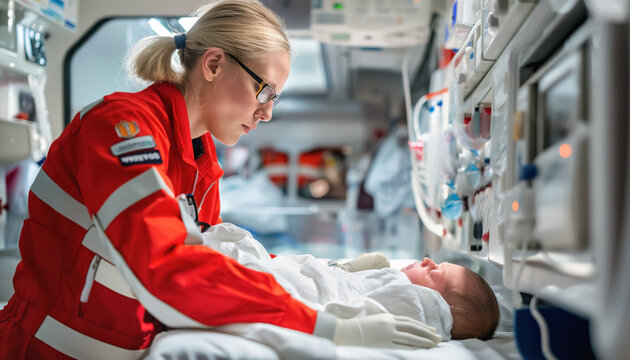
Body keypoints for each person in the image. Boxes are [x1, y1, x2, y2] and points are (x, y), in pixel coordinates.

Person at [0, 1, 441, 358]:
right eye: (263, 90)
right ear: (213, 64)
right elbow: (168, 266)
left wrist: (326, 272)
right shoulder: (122, 126)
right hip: (42, 348)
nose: (267, 112)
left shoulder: (200, 157)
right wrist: (328, 327)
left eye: (276, 98)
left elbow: (219, 259)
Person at [340, 253, 500, 340]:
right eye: (436, 263)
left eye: (431, 273)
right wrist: (341, 272)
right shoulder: (390, 281)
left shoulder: (410, 303)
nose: (426, 260)